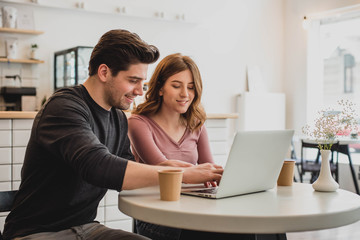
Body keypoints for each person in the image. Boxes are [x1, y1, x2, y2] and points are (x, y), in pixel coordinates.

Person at [2, 29, 223, 240]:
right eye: (133, 80)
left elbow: (126, 167)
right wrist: (175, 174)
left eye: (142, 83)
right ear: (104, 72)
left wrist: (173, 168)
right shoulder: (64, 107)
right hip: (35, 233)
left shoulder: (117, 117)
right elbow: (98, 166)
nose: (139, 91)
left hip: (86, 228)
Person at [128, 53, 259, 240]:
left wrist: (235, 178)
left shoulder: (196, 123)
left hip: (193, 208)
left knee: (264, 227)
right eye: (176, 86)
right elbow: (165, 169)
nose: (185, 94)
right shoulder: (139, 123)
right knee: (239, 234)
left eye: (191, 87)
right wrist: (198, 173)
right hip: (157, 216)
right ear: (159, 88)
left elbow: (209, 173)